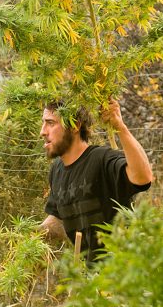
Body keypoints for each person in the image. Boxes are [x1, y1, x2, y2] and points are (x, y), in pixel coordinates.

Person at [40, 98, 153, 263]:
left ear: (75, 125)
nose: (43, 131)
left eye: (50, 123)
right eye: (43, 123)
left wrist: (120, 127)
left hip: (125, 271)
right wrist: (32, 237)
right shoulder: (57, 170)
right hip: (90, 278)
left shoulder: (102, 159)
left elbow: (143, 177)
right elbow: (58, 218)